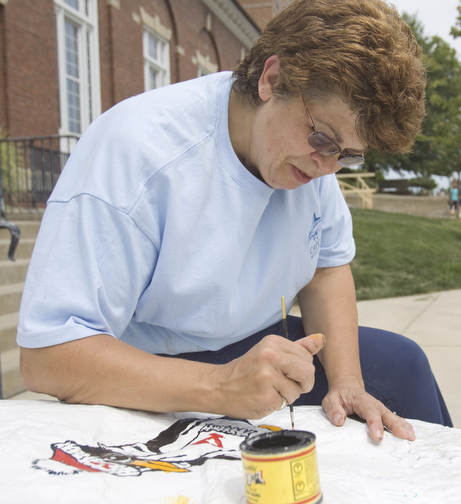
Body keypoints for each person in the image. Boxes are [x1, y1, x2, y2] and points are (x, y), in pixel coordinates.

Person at [18, 0, 452, 443]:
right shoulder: (136, 152)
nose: (327, 167)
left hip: (254, 343)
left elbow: (326, 267)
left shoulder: (311, 158)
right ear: (272, 79)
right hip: (145, 366)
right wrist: (222, 387)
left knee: (404, 367)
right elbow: (46, 357)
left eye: (349, 154)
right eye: (322, 139)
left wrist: (347, 383)